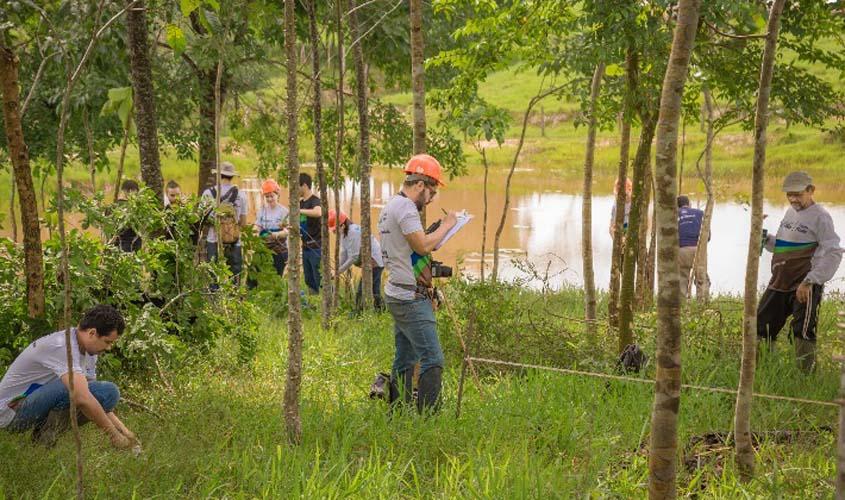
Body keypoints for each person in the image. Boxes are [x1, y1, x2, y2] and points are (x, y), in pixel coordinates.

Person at [378, 154, 457, 413]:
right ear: (420, 185)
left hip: (397, 293)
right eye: (431, 193)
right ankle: (428, 420)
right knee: (432, 359)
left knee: (405, 359)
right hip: (410, 298)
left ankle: (397, 412)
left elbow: (412, 248)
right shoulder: (406, 208)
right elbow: (421, 245)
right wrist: (446, 226)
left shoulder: (391, 205)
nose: (432, 199)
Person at [0, 304, 138, 449]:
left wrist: (127, 435)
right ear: (92, 333)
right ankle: (43, 442)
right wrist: (115, 436)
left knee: (108, 393)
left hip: (32, 404)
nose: (109, 347)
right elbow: (83, 398)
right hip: (11, 413)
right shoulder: (63, 347)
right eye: (108, 342)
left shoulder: (88, 350)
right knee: (75, 389)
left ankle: (42, 439)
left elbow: (95, 398)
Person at [758, 171, 843, 372]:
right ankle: (763, 370)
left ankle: (805, 378)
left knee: (802, 332)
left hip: (804, 285)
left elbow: (834, 252)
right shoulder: (790, 213)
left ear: (811, 190)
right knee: (761, 326)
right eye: (789, 194)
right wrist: (762, 236)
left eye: (798, 194)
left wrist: (810, 281)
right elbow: (782, 246)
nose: (793, 199)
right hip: (779, 281)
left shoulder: (821, 217)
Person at [329, 209, 385, 310]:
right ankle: (369, 311)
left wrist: (338, 272)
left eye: (334, 230)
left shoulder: (353, 232)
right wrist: (336, 270)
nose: (333, 232)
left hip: (375, 261)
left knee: (369, 290)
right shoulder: (343, 234)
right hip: (367, 262)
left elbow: (353, 257)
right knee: (366, 290)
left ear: (342, 225)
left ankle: (375, 312)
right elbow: (344, 254)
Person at [202, 162, 248, 280]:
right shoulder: (241, 195)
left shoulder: (208, 193)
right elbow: (243, 223)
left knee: (214, 277)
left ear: (219, 175)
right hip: (234, 241)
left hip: (213, 240)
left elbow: (201, 219)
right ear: (232, 176)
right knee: (235, 277)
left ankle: (214, 297)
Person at [255, 179, 289, 277]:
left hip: (279, 249)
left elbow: (287, 231)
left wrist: (277, 234)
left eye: (271, 196)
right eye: (267, 197)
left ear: (277, 195)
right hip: (264, 248)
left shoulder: (284, 212)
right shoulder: (261, 211)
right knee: (263, 274)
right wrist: (255, 235)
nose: (269, 199)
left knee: (277, 275)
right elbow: (257, 227)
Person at [299, 173, 323, 294]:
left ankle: (326, 305)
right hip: (305, 247)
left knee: (320, 278)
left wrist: (299, 211)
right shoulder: (300, 202)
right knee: (309, 279)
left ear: (304, 185)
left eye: (296, 187)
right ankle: (313, 303)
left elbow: (318, 213)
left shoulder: (315, 200)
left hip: (316, 247)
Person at [677, 195, 705, 298]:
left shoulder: (673, 215)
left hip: (682, 250)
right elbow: (708, 235)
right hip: (698, 249)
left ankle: (682, 305)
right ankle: (702, 304)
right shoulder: (700, 213)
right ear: (689, 204)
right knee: (701, 279)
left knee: (682, 278)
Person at [114, 179, 142, 252]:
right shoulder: (134, 208)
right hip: (130, 247)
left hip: (115, 246)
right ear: (130, 191)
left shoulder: (112, 206)